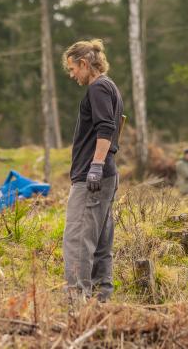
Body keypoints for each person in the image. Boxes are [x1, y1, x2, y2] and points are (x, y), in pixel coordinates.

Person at [61, 39, 124, 303]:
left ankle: (77, 302)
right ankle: (101, 300)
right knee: (99, 241)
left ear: (84, 64)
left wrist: (95, 166)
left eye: (73, 69)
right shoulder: (110, 87)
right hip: (105, 175)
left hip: (93, 177)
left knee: (77, 238)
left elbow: (106, 128)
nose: (72, 75)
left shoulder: (98, 88)